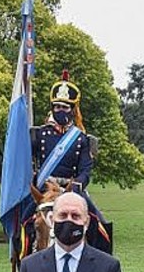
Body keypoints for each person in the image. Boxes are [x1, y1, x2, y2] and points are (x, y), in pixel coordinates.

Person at [32, 71, 113, 254]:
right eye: (58, 106)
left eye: (66, 107)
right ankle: (23, 263)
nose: (61, 110)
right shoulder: (40, 134)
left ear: (73, 109)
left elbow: (85, 170)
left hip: (72, 189)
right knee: (23, 222)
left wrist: (75, 186)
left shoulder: (80, 138)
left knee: (100, 225)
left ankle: (102, 263)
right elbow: (27, 161)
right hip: (45, 188)